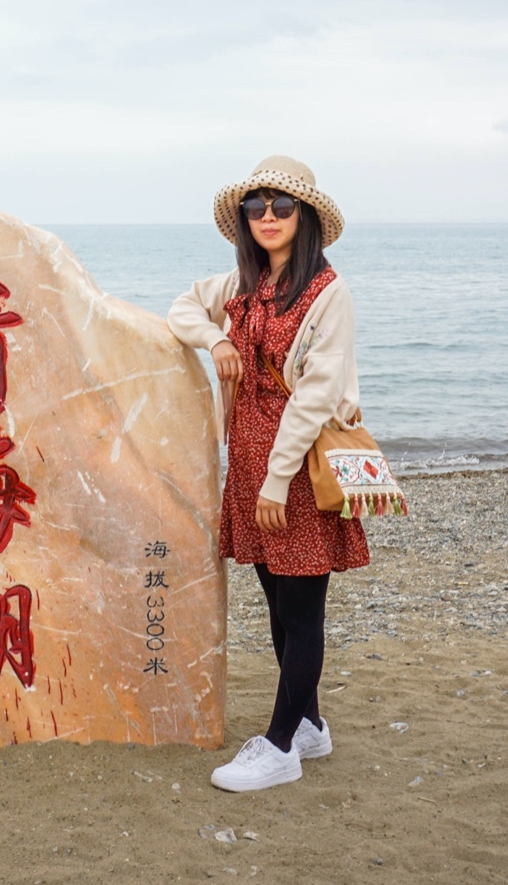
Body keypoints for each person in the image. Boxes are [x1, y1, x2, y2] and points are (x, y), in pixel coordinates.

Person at [168, 154, 368, 792]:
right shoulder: (241, 284)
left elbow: (315, 395)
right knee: (278, 603)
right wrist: (218, 340)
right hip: (250, 463)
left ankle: (280, 747)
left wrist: (277, 480)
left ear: (305, 216)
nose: (268, 217)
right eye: (256, 207)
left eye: (283, 206)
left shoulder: (327, 293)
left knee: (303, 608)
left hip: (296, 468)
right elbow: (181, 308)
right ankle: (309, 724)